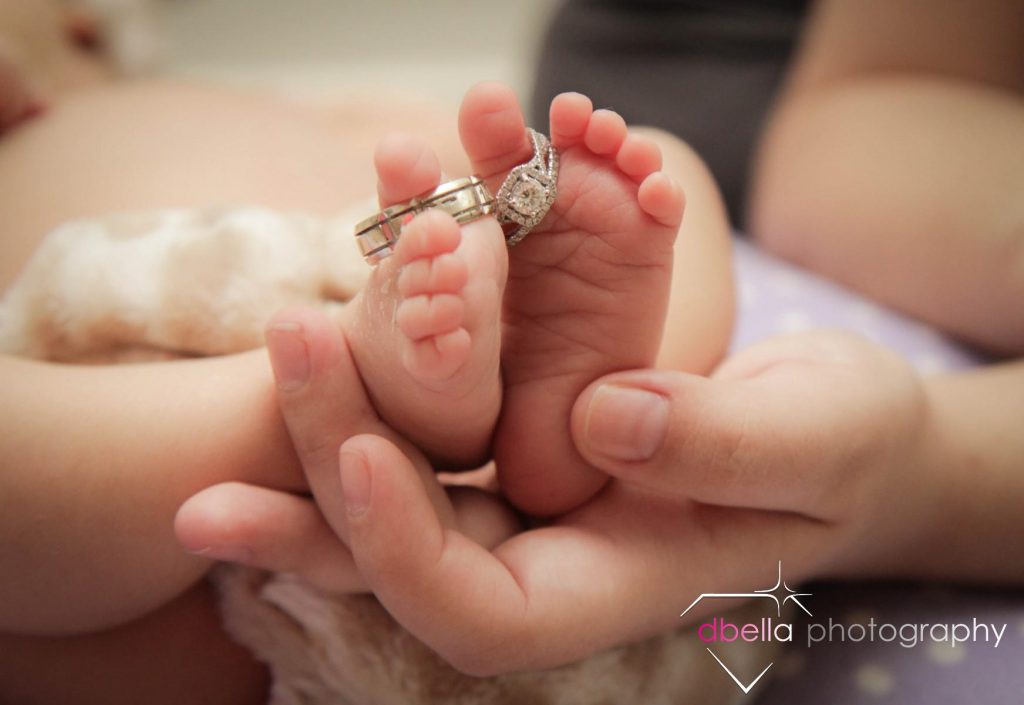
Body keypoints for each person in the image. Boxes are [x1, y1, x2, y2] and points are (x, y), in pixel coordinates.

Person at [176, 0, 1024, 684]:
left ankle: (491, 385)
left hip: (600, 194)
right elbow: (898, 98)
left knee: (655, 190)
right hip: (618, 179)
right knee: (659, 181)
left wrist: (923, 475)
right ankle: (501, 391)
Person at [0, 2, 732, 702]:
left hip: (387, 331)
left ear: (78, 25)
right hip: (162, 491)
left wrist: (524, 212)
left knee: (651, 166)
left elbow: (469, 182)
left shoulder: (306, 106)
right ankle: (360, 392)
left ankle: (563, 413)